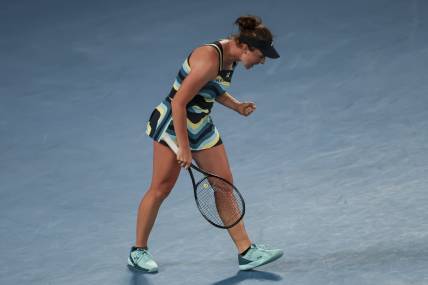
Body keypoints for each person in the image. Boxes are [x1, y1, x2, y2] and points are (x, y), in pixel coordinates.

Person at [128, 15, 283, 272]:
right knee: (161, 188)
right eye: (261, 55)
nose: (263, 60)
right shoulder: (209, 59)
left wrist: (236, 105)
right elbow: (178, 103)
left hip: (200, 125)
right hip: (173, 127)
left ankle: (246, 252)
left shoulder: (231, 56)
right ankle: (138, 251)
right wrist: (185, 149)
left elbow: (211, 88)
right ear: (245, 47)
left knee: (224, 185)